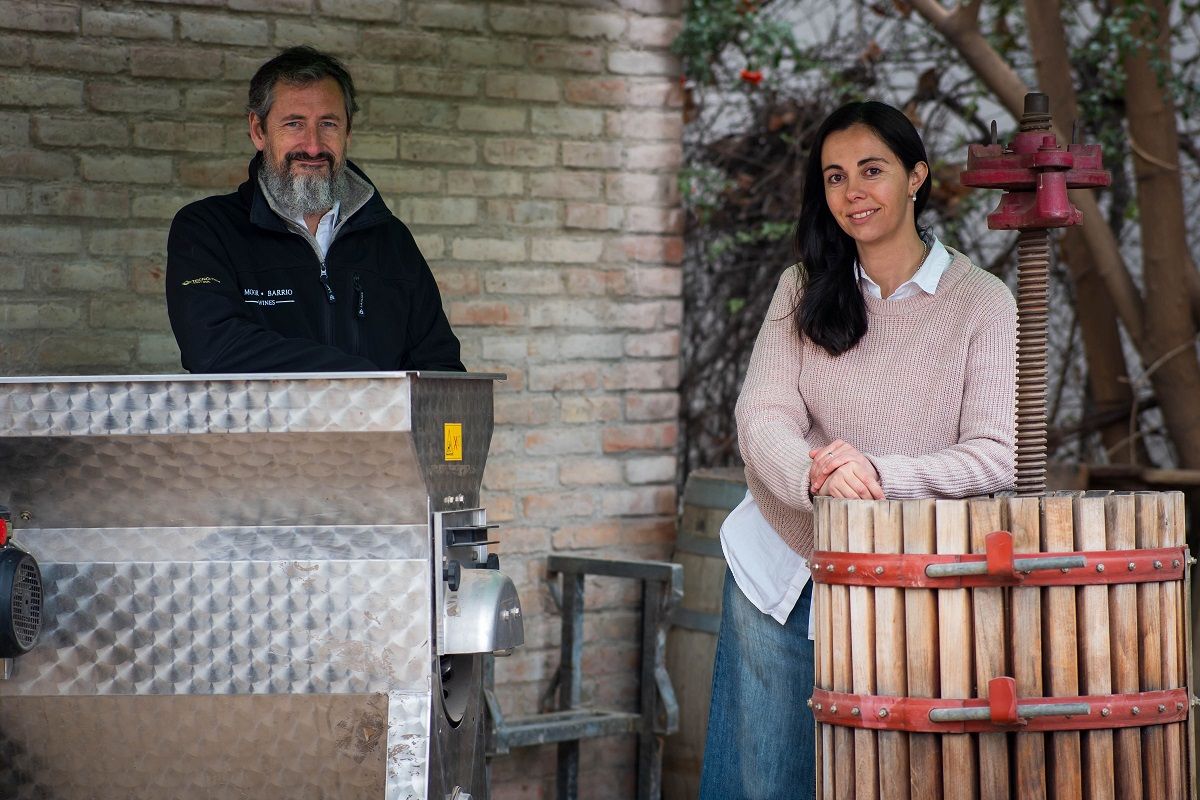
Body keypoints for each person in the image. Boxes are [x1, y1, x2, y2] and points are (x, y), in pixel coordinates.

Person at [698, 101, 1016, 799]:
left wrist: (878, 474)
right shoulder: (803, 287)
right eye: (835, 177)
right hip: (784, 568)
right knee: (765, 780)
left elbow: (998, 456)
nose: (852, 192)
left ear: (916, 177)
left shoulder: (982, 303)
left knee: (889, 780)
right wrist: (815, 477)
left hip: (911, 580)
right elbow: (762, 415)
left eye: (872, 171)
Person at [166, 46, 464, 373]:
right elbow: (213, 348)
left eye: (328, 124)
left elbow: (439, 365)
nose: (312, 146)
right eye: (294, 124)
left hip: (379, 426)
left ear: (348, 130)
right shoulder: (207, 230)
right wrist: (363, 381)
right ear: (258, 131)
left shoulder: (391, 240)